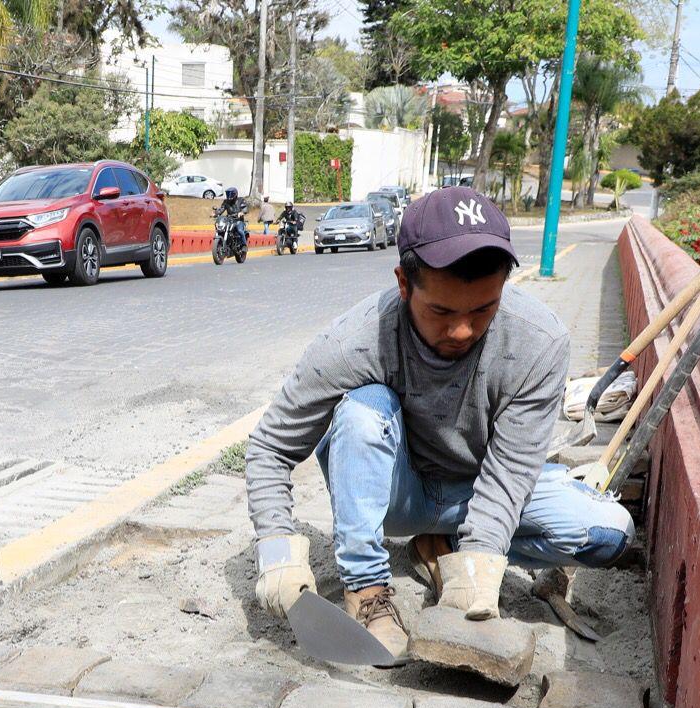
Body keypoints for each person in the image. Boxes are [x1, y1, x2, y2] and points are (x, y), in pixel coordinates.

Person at [244, 187, 633, 663]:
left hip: (479, 490)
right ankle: (366, 590)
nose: (462, 331)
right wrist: (277, 549)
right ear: (404, 285)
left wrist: (477, 570)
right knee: (364, 410)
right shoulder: (357, 340)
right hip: (397, 495)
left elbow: (511, 474)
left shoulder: (539, 342)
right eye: (442, 312)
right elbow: (271, 447)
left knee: (609, 531)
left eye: (482, 310)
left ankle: (442, 547)